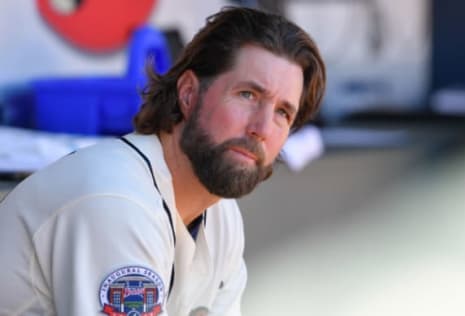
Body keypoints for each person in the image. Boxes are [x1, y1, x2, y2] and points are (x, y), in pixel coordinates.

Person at [0, 6, 325, 316]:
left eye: (283, 113)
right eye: (248, 95)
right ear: (188, 94)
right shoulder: (116, 202)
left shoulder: (220, 216)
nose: (262, 128)